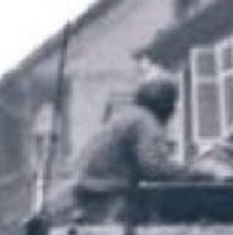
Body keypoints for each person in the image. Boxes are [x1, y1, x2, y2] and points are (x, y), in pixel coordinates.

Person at [65, 71, 186, 220]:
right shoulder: (145, 122)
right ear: (166, 105)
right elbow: (154, 167)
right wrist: (191, 174)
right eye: (172, 105)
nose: (173, 111)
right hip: (108, 192)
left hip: (86, 188)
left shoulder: (126, 116)